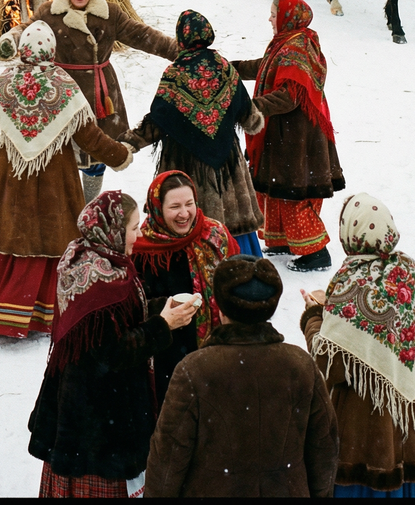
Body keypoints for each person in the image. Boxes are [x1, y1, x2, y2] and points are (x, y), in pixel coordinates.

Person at [0, 21, 134, 338]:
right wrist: (119, 155)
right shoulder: (64, 85)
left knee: (10, 235)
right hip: (56, 176)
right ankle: (47, 308)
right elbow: (90, 137)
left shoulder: (5, 83)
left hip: (12, 174)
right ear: (52, 50)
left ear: (22, 49)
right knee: (54, 237)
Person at [27, 190, 185, 496]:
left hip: (79, 405)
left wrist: (162, 306)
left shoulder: (90, 255)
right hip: (97, 418)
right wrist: (163, 326)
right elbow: (111, 352)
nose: (138, 236)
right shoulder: (99, 279)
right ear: (113, 230)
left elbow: (119, 319)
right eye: (134, 228)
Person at [146, 255, 339, 498]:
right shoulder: (300, 365)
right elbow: (324, 449)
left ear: (219, 305)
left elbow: (169, 456)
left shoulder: (194, 370)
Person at [300, 192, 415, 497]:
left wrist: (313, 316)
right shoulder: (411, 273)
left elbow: (328, 363)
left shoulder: (349, 284)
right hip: (412, 430)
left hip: (365, 435)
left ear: (349, 234)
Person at [0, 0, 181, 202]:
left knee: (96, 154)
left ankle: (89, 202)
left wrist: (180, 51)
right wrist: (12, 38)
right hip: (61, 91)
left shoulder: (110, 14)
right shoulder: (50, 13)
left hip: (100, 93)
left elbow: (142, 35)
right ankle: (66, 206)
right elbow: (28, 28)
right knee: (62, 152)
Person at [124, 12, 265, 255]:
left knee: (186, 215)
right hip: (227, 166)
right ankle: (239, 264)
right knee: (232, 225)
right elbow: (251, 120)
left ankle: (192, 271)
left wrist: (130, 143)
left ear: (181, 39)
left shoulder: (175, 73)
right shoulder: (224, 69)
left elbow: (159, 119)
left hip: (186, 166)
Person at [232, 0, 344, 272]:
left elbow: (289, 96)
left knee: (295, 191)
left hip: (298, 137)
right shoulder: (288, 42)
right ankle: (283, 241)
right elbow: (263, 67)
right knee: (279, 189)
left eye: (274, 13)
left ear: (287, 17)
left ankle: (315, 253)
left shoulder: (297, 49)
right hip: (286, 134)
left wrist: (250, 106)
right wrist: (228, 69)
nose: (270, 19)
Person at [131, 171, 239, 402]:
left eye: (189, 204)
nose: (184, 213)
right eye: (175, 207)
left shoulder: (215, 234)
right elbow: (132, 306)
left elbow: (238, 279)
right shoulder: (141, 249)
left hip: (218, 348)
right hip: (167, 354)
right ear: (157, 208)